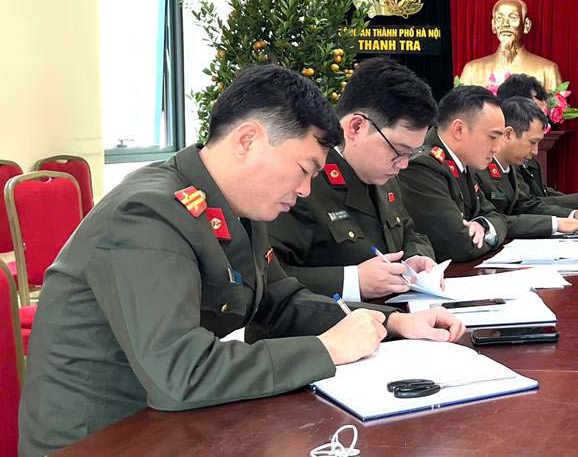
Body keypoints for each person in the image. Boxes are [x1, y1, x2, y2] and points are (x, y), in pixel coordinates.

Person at [18, 65, 464, 455]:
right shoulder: (147, 214)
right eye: (305, 169)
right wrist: (325, 349)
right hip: (107, 440)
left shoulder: (237, 208)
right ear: (248, 140)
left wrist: (389, 323)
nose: (307, 190)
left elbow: (280, 301)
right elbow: (181, 374)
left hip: (175, 426)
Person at [267, 57, 442, 300]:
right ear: (356, 127)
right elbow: (267, 278)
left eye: (412, 154)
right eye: (399, 151)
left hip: (400, 319)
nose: (403, 164)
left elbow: (409, 232)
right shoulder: (302, 181)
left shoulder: (384, 173)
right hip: (327, 329)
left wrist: (415, 259)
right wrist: (351, 281)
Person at [397, 85, 512, 261]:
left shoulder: (463, 162)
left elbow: (497, 216)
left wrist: (483, 225)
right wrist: (487, 233)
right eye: (492, 137)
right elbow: (460, 245)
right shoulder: (422, 166)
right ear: (458, 129)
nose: (497, 148)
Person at [474, 97, 578, 238]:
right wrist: (555, 224)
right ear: (508, 134)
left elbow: (526, 206)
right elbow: (496, 219)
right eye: (532, 142)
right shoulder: (478, 168)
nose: (535, 151)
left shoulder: (511, 167)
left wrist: (573, 215)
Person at [496, 72, 578, 209]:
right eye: (535, 111)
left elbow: (541, 194)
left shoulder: (527, 156)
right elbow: (525, 205)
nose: (543, 120)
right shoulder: (503, 157)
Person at [458, 0, 563, 90]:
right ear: (493, 25)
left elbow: (557, 109)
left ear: (526, 25)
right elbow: (460, 109)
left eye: (513, 18)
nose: (505, 24)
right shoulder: (472, 70)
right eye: (499, 18)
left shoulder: (548, 70)